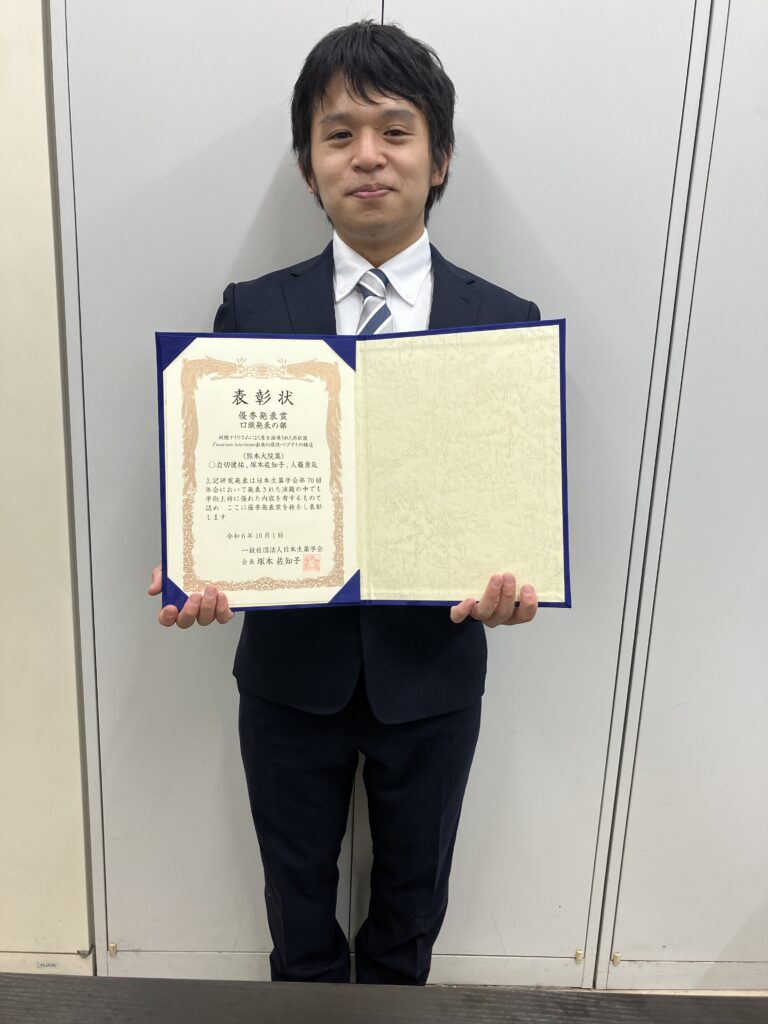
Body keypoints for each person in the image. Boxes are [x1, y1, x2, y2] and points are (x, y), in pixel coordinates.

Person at [149, 20, 539, 985]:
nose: (367, 155)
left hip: (434, 673)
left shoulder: (504, 324)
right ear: (308, 166)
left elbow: (516, 505)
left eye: (395, 131)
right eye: (339, 134)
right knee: (297, 916)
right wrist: (199, 566)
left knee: (412, 914)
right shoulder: (252, 310)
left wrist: (518, 579)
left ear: (438, 159)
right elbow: (222, 473)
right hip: (289, 676)